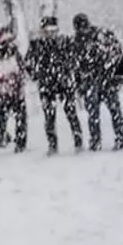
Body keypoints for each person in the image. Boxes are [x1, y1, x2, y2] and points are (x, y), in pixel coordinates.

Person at [25, 16, 83, 155]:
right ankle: (52, 145)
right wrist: (36, 75)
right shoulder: (36, 45)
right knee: (49, 117)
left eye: (53, 30)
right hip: (46, 85)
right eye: (47, 30)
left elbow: (76, 60)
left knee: (71, 113)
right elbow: (27, 63)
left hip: (64, 83)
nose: (51, 33)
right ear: (42, 31)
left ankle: (78, 142)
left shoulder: (65, 42)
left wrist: (72, 75)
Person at [72, 13, 123, 151]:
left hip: (102, 81)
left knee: (106, 113)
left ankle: (112, 139)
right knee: (97, 114)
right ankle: (101, 140)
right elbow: (76, 67)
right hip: (95, 82)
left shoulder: (99, 37)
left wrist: (116, 77)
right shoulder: (80, 41)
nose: (82, 30)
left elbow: (116, 55)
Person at [0, 26, 26, 152]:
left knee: (6, 114)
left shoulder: (12, 52)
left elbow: (21, 68)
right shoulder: (11, 51)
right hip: (6, 88)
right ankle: (14, 139)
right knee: (11, 115)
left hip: (9, 88)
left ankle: (9, 137)